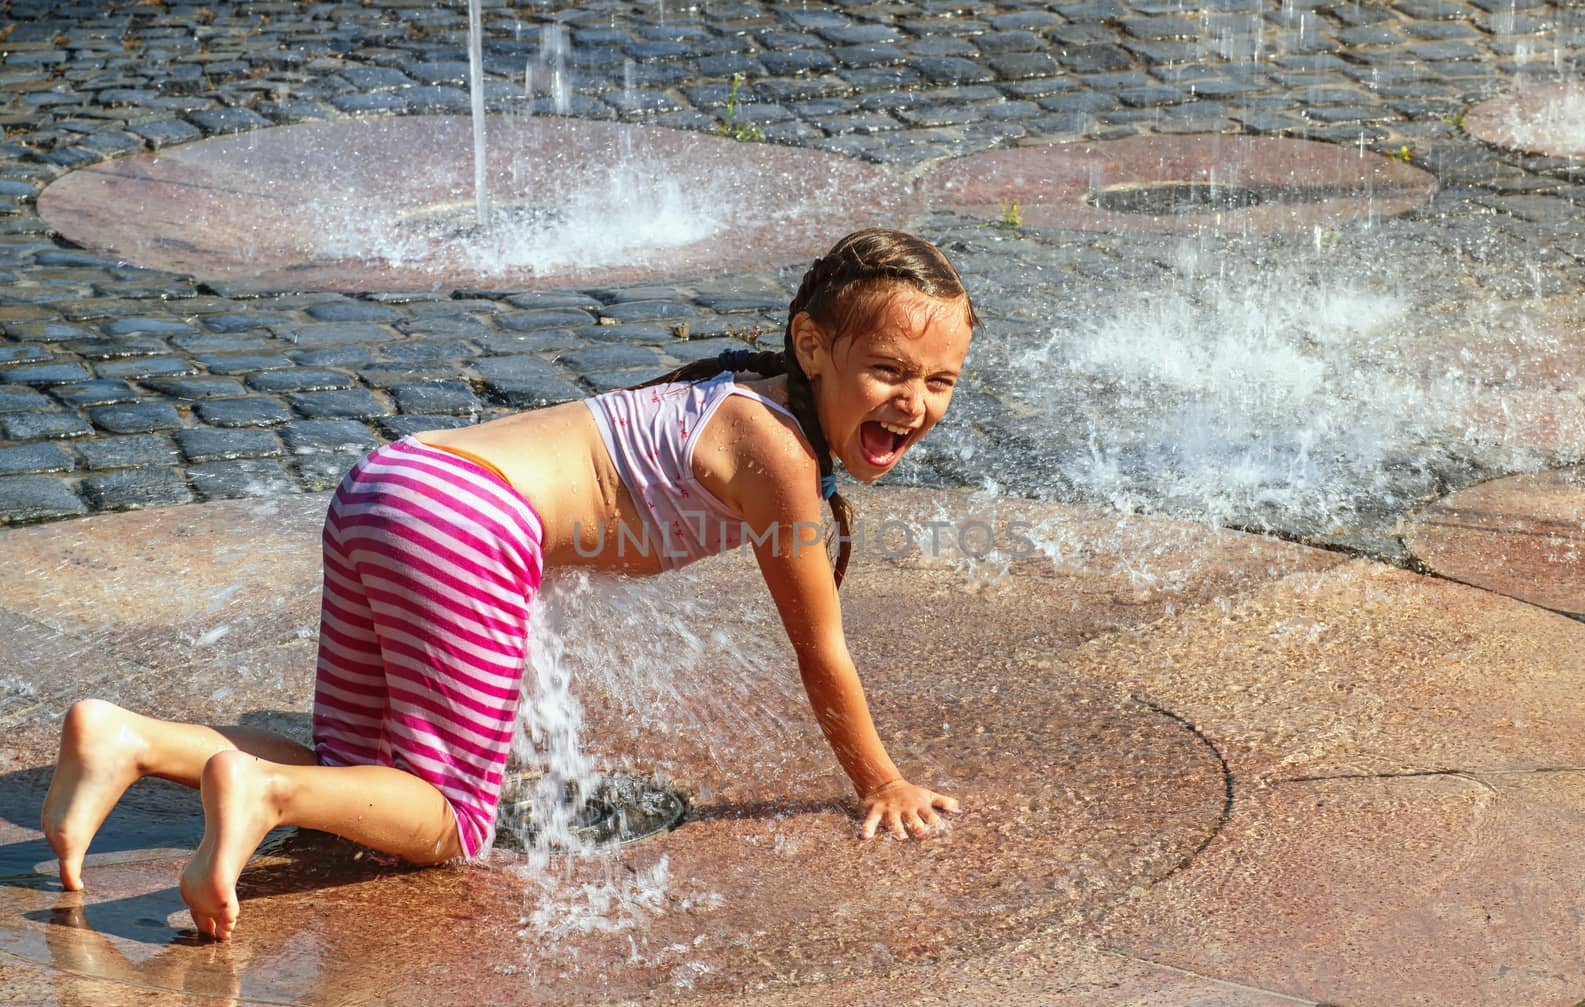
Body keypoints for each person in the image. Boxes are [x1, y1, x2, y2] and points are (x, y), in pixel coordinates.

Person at [40, 228, 977, 941]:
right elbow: (820, 645)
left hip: (394, 481)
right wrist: (880, 781)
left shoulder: (739, 396)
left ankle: (128, 739)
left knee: (351, 767)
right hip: (468, 524)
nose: (914, 402)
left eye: (940, 381)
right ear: (812, 348)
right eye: (889, 371)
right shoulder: (774, 452)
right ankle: (258, 794)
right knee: (451, 819)